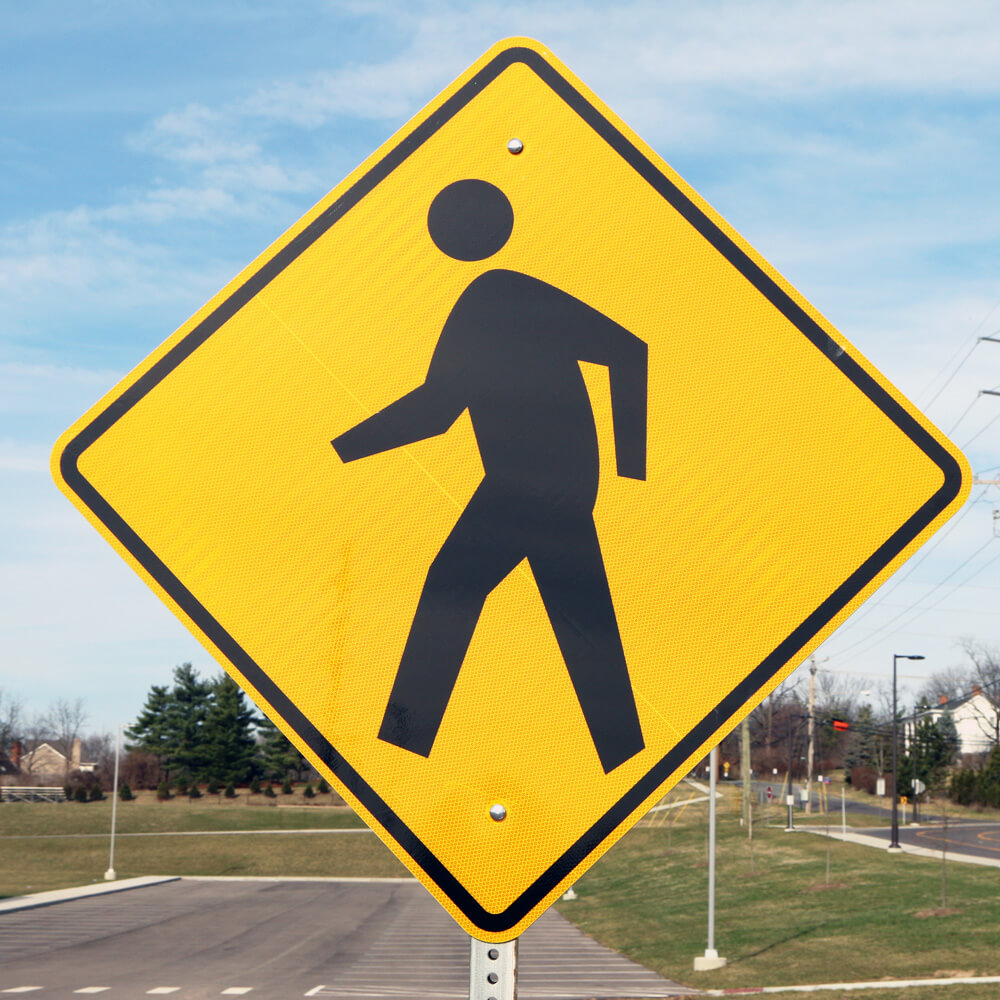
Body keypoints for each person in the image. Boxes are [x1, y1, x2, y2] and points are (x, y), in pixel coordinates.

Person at [333, 179, 648, 773]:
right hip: (532, 486)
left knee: (450, 587)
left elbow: (630, 350)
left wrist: (633, 472)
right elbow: (438, 408)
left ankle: (404, 742)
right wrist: (343, 449)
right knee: (582, 620)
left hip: (536, 486)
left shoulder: (505, 294)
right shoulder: (481, 303)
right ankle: (624, 752)